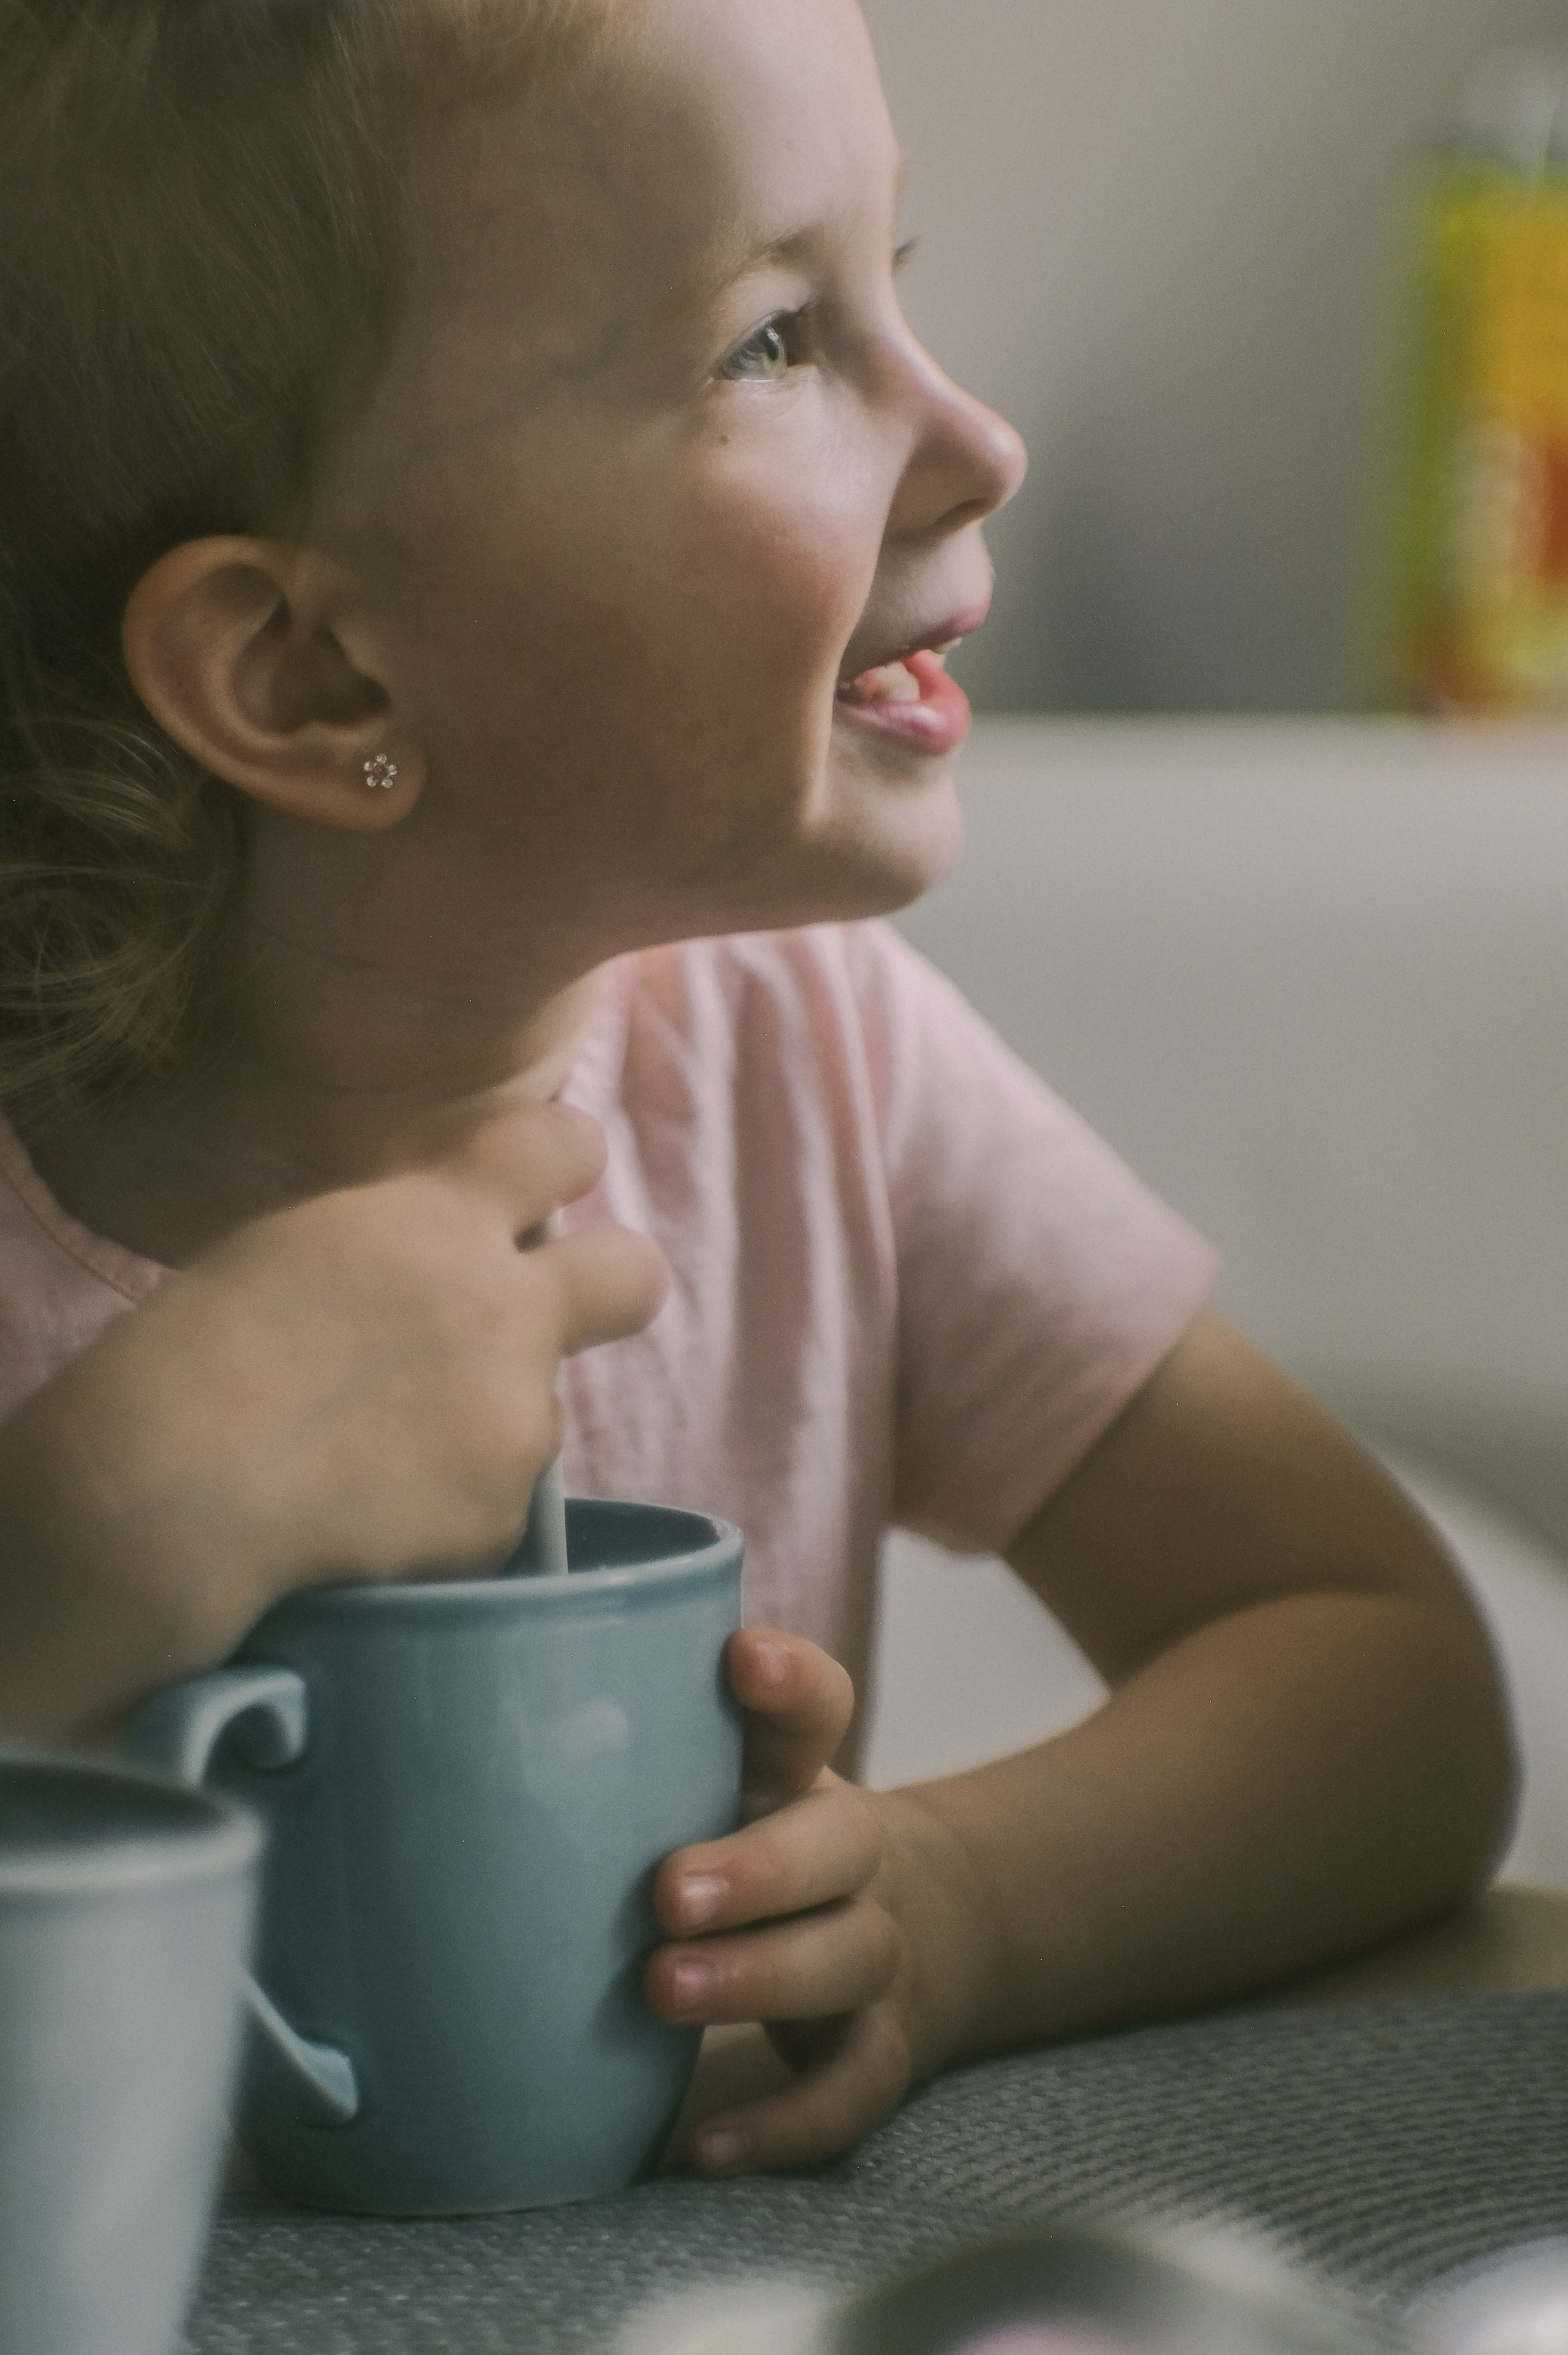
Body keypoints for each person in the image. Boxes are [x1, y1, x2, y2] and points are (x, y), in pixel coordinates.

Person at [0, 0, 1514, 2180]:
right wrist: (82, 1547)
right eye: (780, 340)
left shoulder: (817, 1056)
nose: (979, 436)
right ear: (309, 668)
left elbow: (1381, 1674)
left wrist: (962, 1904)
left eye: (899, 282)